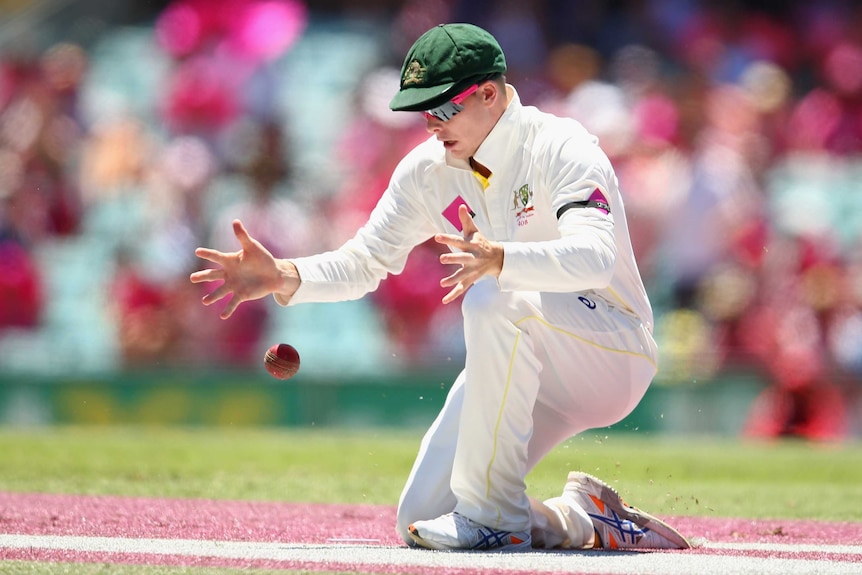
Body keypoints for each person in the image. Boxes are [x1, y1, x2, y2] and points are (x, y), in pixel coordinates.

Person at [190, 23, 690, 552]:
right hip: (520, 358)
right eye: (422, 111)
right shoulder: (428, 170)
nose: (430, 124)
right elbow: (366, 261)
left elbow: (594, 258)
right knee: (420, 517)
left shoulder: (562, 146)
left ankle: (494, 516)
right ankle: (586, 521)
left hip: (609, 348)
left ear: (489, 94)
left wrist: (502, 259)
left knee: (497, 294)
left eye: (442, 108)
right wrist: (286, 275)